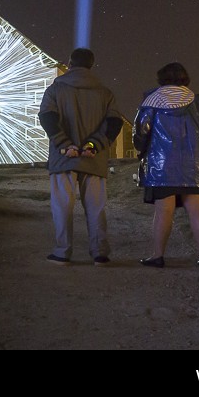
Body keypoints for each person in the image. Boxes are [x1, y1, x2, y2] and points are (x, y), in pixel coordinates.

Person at [37, 48, 124, 266]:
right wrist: (93, 145)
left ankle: (62, 251)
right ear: (92, 65)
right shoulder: (105, 92)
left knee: (63, 206)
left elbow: (47, 117)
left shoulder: (55, 89)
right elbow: (114, 122)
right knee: (96, 207)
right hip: (94, 159)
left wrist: (65, 145)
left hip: (63, 158)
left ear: (70, 63)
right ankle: (100, 253)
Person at [133, 62, 199, 270]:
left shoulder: (151, 101)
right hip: (194, 167)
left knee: (164, 212)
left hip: (162, 168)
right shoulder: (197, 102)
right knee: (197, 210)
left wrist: (141, 150)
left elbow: (141, 132)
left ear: (161, 79)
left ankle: (158, 256)